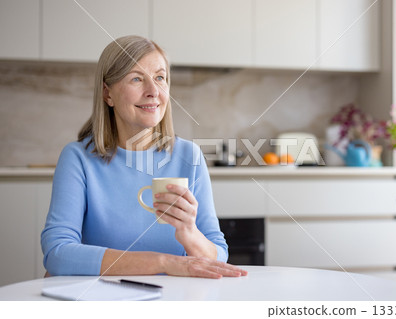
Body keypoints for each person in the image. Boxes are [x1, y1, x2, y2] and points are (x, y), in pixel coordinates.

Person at [41, 35, 247, 279]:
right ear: (108, 94)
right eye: (137, 79)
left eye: (160, 78)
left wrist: (190, 233)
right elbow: (57, 253)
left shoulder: (189, 156)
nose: (153, 91)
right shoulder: (78, 159)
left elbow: (218, 254)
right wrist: (162, 262)